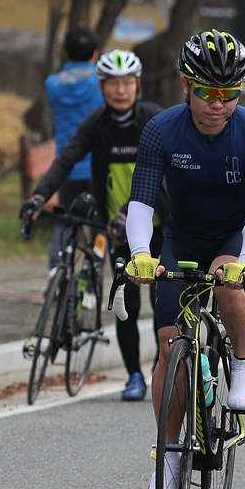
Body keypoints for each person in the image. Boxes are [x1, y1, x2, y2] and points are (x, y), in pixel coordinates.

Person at [122, 29, 245, 489]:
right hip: (183, 237)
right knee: (169, 347)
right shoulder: (161, 130)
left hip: (238, 235)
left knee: (228, 280)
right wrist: (140, 253)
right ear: (186, 85)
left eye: (229, 94)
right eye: (208, 92)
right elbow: (142, 202)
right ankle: (169, 464)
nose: (218, 104)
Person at [21, 49, 162, 401]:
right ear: (101, 87)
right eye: (112, 83)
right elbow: (66, 158)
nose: (120, 90)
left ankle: (164, 369)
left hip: (162, 225)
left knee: (164, 305)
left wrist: (132, 210)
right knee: (126, 306)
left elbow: (165, 176)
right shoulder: (97, 123)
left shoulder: (154, 120)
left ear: (137, 84)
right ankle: (134, 376)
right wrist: (39, 196)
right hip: (120, 231)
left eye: (127, 83)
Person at [41, 27, 104, 269]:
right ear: (94, 54)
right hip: (97, 168)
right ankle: (95, 264)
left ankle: (56, 269)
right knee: (101, 226)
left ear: (66, 52)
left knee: (66, 222)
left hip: (67, 167)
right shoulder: (100, 84)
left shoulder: (52, 84)